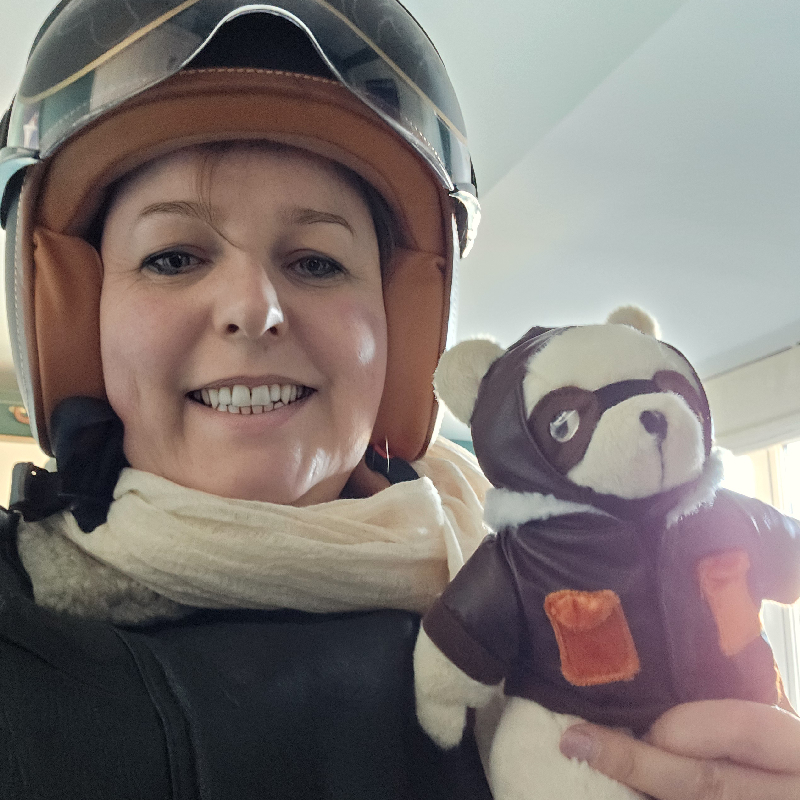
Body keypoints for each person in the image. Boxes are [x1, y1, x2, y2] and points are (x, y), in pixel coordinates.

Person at [0, 2, 798, 798]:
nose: (254, 308)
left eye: (316, 262)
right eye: (174, 258)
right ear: (77, 317)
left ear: (401, 329)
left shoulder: (564, 580)